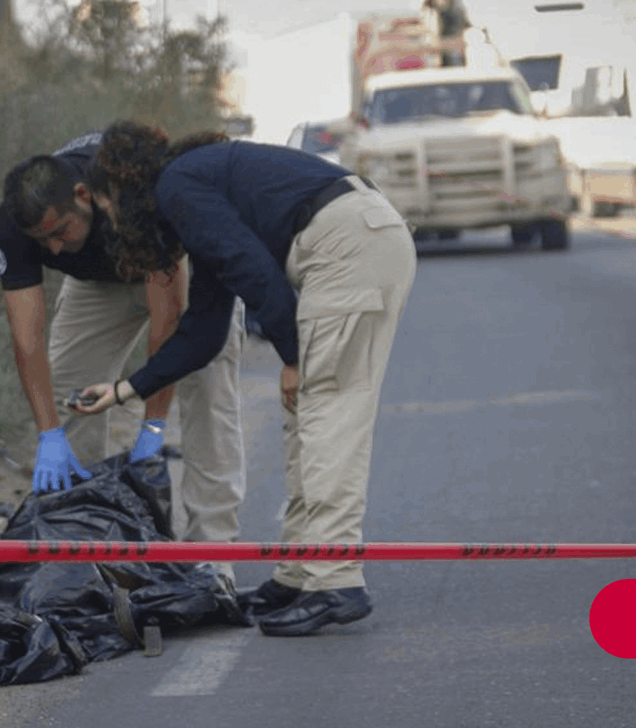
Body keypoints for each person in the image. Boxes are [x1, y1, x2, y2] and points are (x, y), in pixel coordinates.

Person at [71, 120, 417, 637]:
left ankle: (334, 580)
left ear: (122, 189)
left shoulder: (178, 186)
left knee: (326, 417)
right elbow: (204, 332)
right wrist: (124, 390)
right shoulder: (194, 192)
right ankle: (300, 572)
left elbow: (253, 269)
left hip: (345, 249)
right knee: (307, 421)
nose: (111, 223)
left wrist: (292, 356)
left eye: (105, 208)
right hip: (356, 240)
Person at [0, 130, 249, 555]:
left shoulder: (133, 193)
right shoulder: (16, 223)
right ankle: (80, 543)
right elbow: (26, 338)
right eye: (43, 242)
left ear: (83, 196)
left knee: (207, 389)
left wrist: (153, 426)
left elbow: (167, 324)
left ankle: (212, 551)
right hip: (95, 284)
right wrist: (48, 433)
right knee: (67, 395)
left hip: (170, 266)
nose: (54, 248)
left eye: (59, 231)